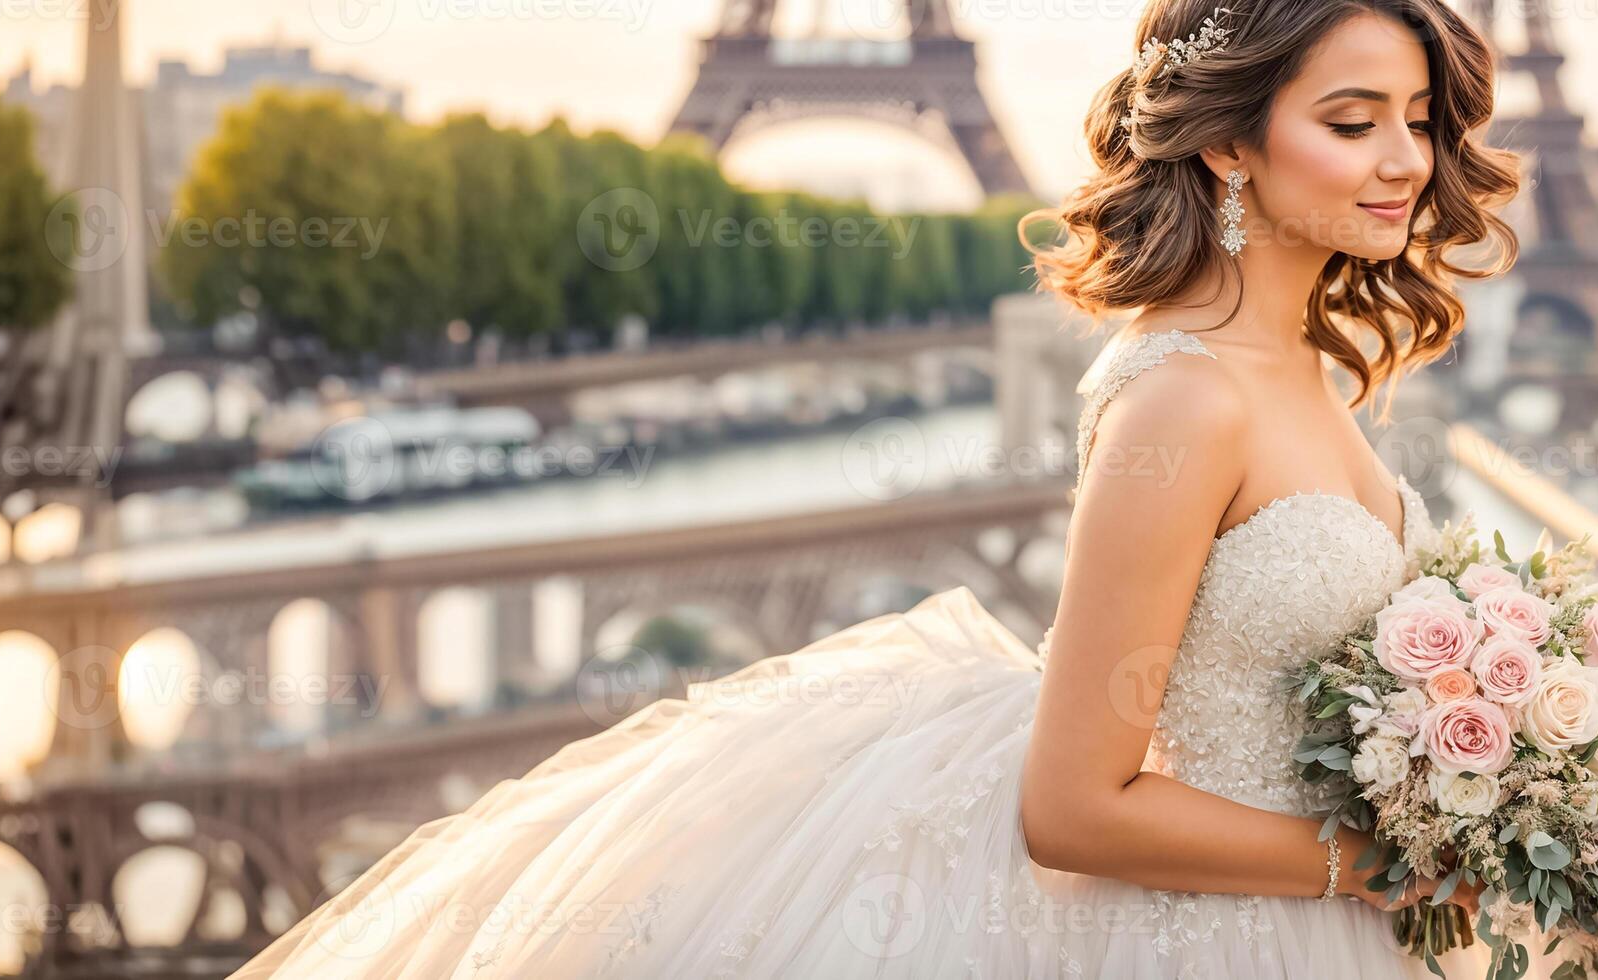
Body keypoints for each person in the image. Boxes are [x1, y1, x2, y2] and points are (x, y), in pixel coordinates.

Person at [230, 0, 1532, 976]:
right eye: (1352, 122)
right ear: (1232, 148)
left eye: (1418, 120)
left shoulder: (1306, 369)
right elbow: (1071, 806)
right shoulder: (1186, 400)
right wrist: (1374, 858)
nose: (1406, 159)